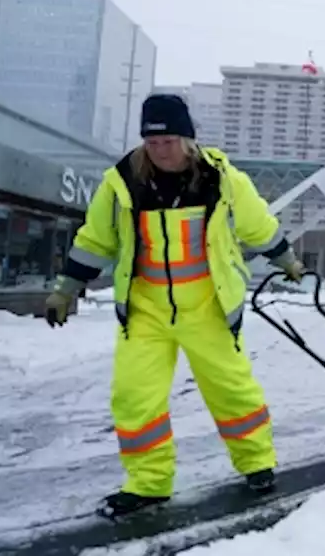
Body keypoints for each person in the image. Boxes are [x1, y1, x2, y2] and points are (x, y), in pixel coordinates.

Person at [44, 93, 305, 518]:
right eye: (152, 142)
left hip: (209, 306)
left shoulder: (221, 179)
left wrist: (287, 261)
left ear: (187, 139)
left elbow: (258, 225)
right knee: (134, 397)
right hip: (146, 310)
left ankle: (257, 463)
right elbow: (95, 240)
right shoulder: (123, 181)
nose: (160, 150)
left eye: (168, 141)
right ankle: (148, 483)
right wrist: (66, 288)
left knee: (231, 389)